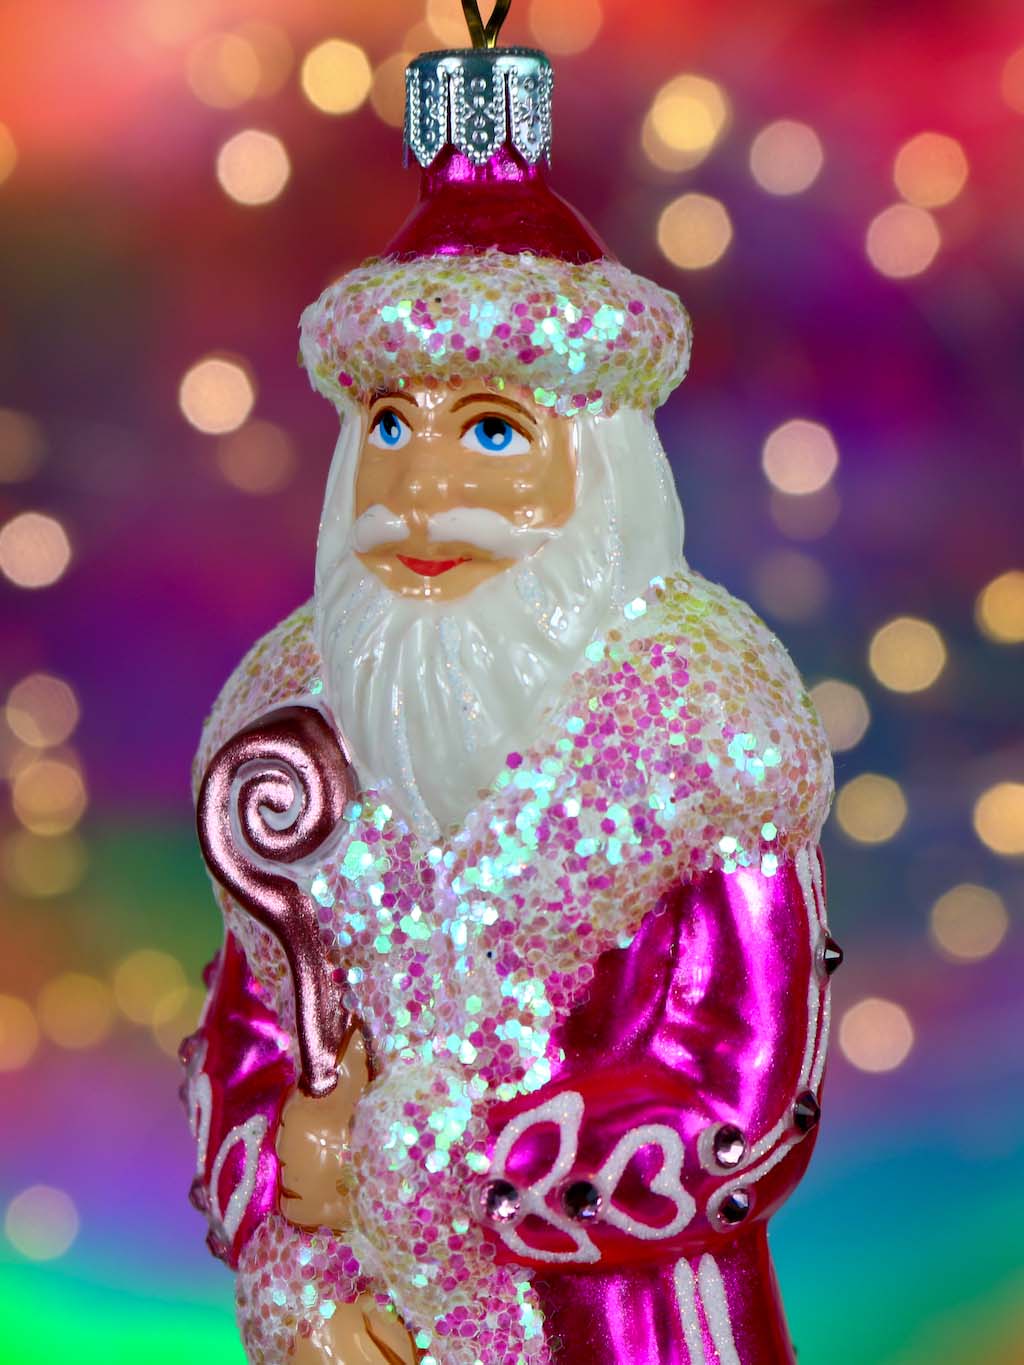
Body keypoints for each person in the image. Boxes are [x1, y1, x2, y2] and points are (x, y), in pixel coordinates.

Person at [185, 45, 836, 1365]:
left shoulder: (702, 751)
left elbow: (738, 1097)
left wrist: (441, 1166)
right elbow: (244, 1025)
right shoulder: (297, 741)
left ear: (596, 467)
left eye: (490, 432)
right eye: (389, 429)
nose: (421, 497)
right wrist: (288, 1205)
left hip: (625, 1329)